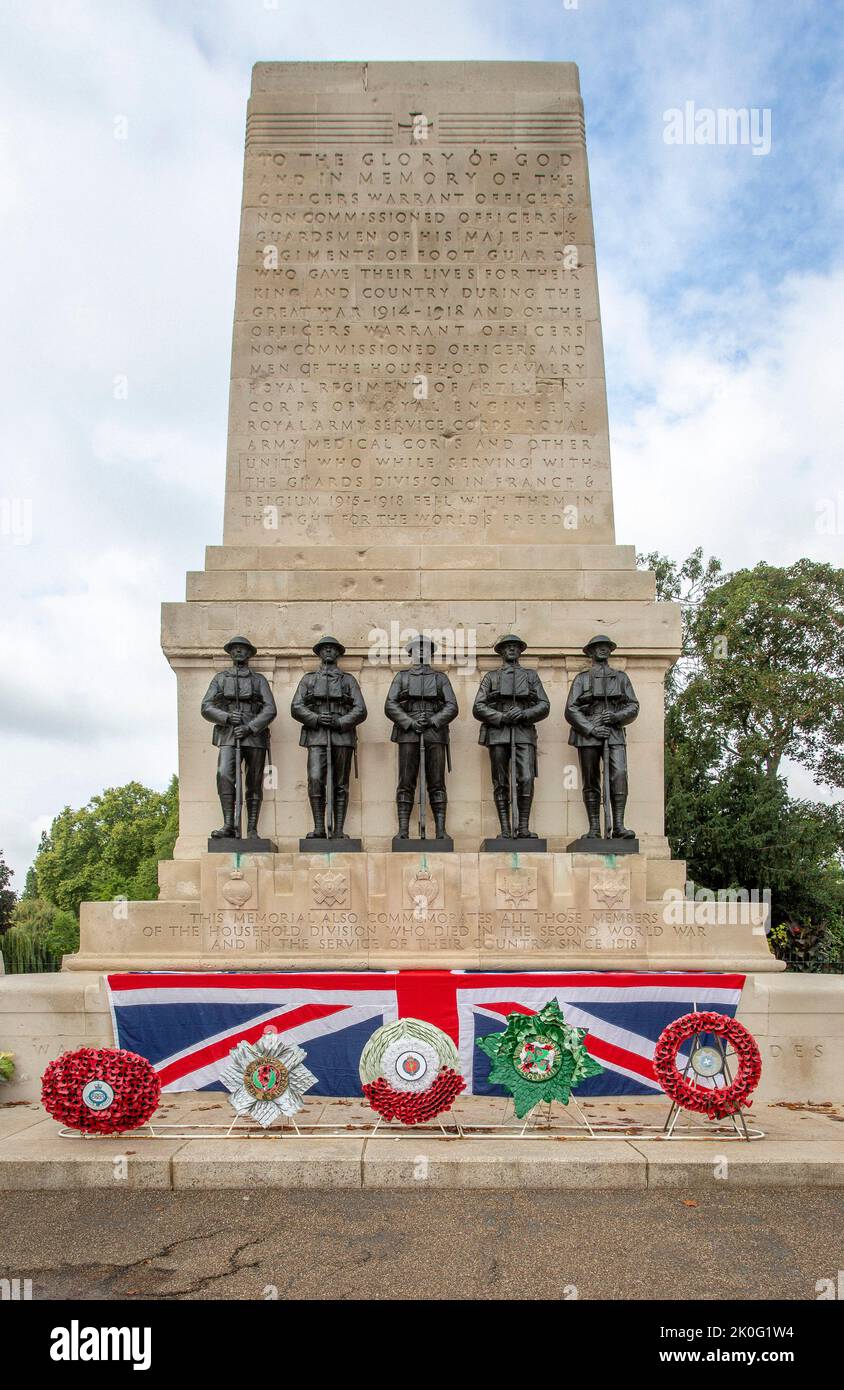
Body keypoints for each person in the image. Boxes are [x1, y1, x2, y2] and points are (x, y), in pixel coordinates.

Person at [472, 635, 550, 838]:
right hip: (498, 733)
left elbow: (544, 705)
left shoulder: (531, 676)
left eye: (515, 647)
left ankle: (523, 827)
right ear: (501, 651)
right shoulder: (491, 677)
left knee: (526, 778)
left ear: (520, 651)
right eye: (507, 647)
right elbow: (478, 706)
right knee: (500, 782)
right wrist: (501, 716)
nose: (511, 650)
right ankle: (505, 828)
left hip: (523, 731)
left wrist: (524, 714)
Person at [290, 636, 367, 839]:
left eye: (333, 649)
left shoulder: (348, 680)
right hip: (317, 736)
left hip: (342, 736)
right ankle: (319, 828)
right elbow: (296, 707)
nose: (329, 652)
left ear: (338, 653)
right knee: (315, 780)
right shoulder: (308, 679)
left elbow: (360, 709)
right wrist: (316, 718)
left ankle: (339, 829)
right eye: (325, 649)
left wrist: (340, 722)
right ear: (319, 653)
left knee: (341, 784)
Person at [201, 636, 277, 839]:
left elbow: (270, 709)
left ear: (249, 653)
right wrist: (226, 717)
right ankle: (229, 825)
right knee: (224, 775)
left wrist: (251, 727)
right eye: (234, 649)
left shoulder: (258, 680)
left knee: (254, 781)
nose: (238, 652)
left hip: (254, 736)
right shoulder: (220, 679)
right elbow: (206, 707)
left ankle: (252, 828)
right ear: (230, 653)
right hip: (228, 734)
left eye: (242, 649)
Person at [564, 635, 639, 839]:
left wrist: (616, 716)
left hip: (613, 731)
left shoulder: (621, 678)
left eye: (606, 647)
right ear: (590, 652)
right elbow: (571, 709)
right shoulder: (581, 679)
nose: (602, 650)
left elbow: (633, 706)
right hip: (588, 732)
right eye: (598, 647)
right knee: (591, 780)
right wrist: (591, 728)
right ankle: (595, 828)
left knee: (619, 775)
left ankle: (619, 826)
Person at [384, 635, 458, 840]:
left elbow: (452, 706)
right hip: (408, 733)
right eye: (418, 648)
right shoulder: (402, 677)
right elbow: (390, 704)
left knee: (437, 782)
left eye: (426, 648)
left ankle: (441, 831)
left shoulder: (440, 678)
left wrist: (434, 720)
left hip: (434, 732)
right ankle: (403, 831)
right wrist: (409, 722)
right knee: (406, 781)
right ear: (411, 653)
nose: (422, 651)